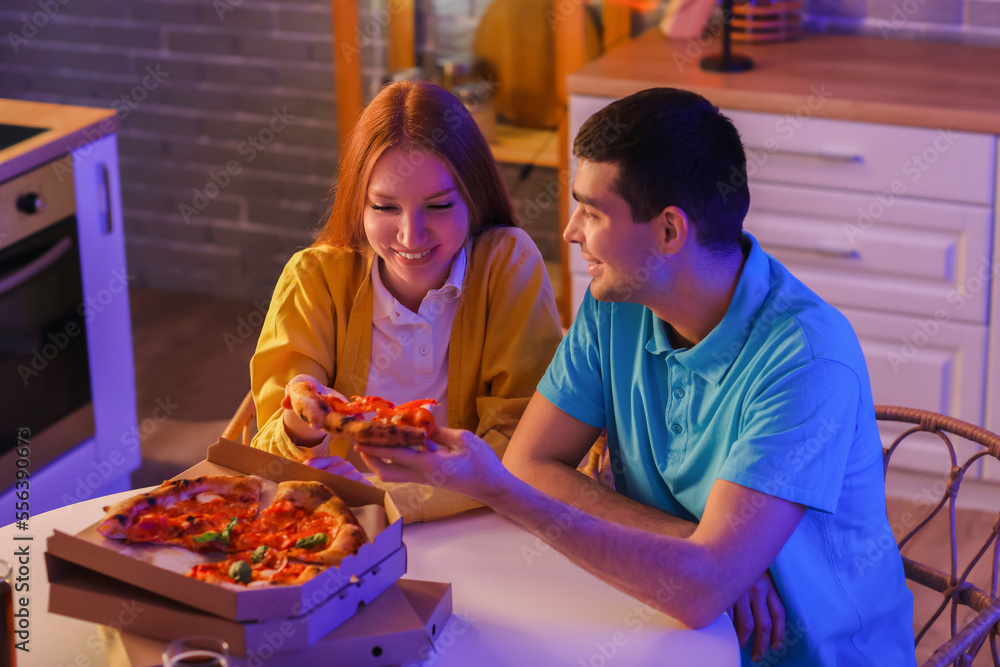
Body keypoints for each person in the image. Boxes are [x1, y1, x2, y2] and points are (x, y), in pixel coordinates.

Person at [356, 87, 917, 666]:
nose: (571, 232)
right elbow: (532, 462)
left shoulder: (805, 360)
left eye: (593, 212)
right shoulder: (616, 302)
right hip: (658, 626)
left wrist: (500, 492)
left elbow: (699, 592)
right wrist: (699, 552)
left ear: (669, 233)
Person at [249, 80, 563, 522]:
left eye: (438, 206)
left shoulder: (507, 262)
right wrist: (299, 428)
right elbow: (265, 459)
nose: (410, 237)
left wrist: (381, 501)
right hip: (342, 527)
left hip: (473, 525)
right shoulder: (314, 277)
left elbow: (523, 444)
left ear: (473, 199)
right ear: (358, 203)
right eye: (385, 208)